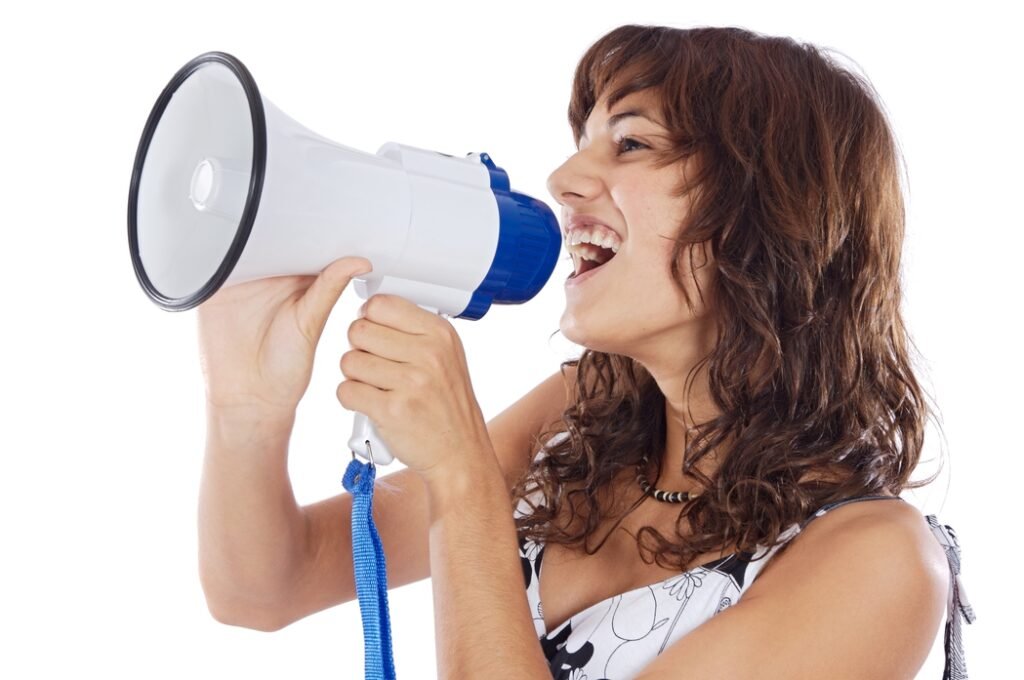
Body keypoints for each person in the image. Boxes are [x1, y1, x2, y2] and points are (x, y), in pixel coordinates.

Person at [196, 24, 974, 680]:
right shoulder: (576, 421)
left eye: (630, 142)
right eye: (583, 142)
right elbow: (266, 588)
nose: (565, 179)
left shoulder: (877, 564)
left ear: (766, 210)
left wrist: (463, 478)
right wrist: (246, 411)